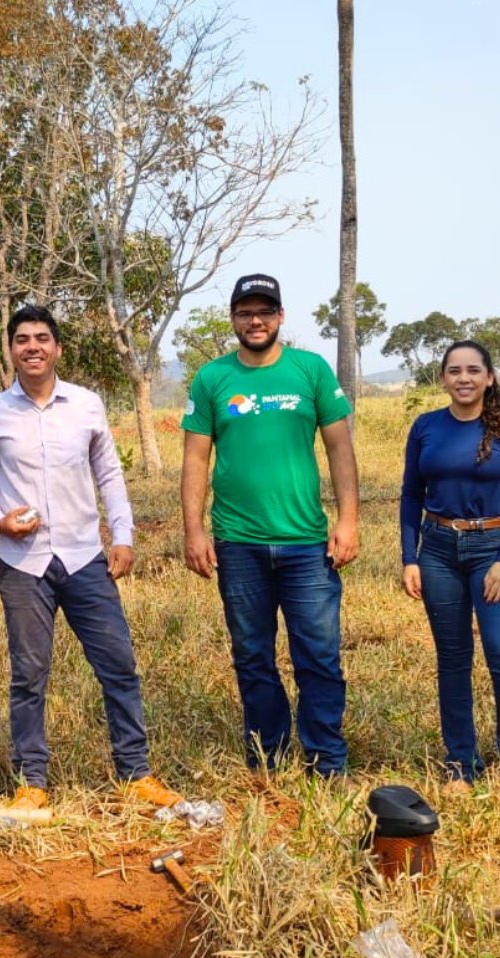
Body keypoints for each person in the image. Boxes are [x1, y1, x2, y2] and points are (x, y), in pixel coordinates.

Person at [0, 304, 181, 810]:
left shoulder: (86, 405)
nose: (32, 346)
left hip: (85, 558)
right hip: (23, 564)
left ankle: (136, 773)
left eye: (42, 337)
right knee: (29, 674)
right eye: (22, 339)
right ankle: (32, 782)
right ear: (12, 350)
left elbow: (109, 475)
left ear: (57, 348)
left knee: (118, 665)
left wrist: (122, 536)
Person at [181, 274, 359, 778]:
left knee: (318, 657)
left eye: (265, 311)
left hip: (306, 543)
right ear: (233, 319)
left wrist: (348, 520)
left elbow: (340, 450)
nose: (255, 321)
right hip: (238, 543)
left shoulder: (312, 370)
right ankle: (269, 757)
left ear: (281, 317)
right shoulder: (212, 379)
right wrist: (193, 530)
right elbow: (196, 459)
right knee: (253, 655)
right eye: (245, 312)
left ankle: (327, 761)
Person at [400, 340, 500, 794]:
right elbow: (409, 496)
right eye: (454, 370)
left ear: (489, 378)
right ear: (442, 378)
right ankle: (461, 764)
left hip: (492, 550)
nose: (463, 378)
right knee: (454, 661)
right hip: (438, 550)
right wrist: (409, 557)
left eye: (473, 370)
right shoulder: (425, 427)